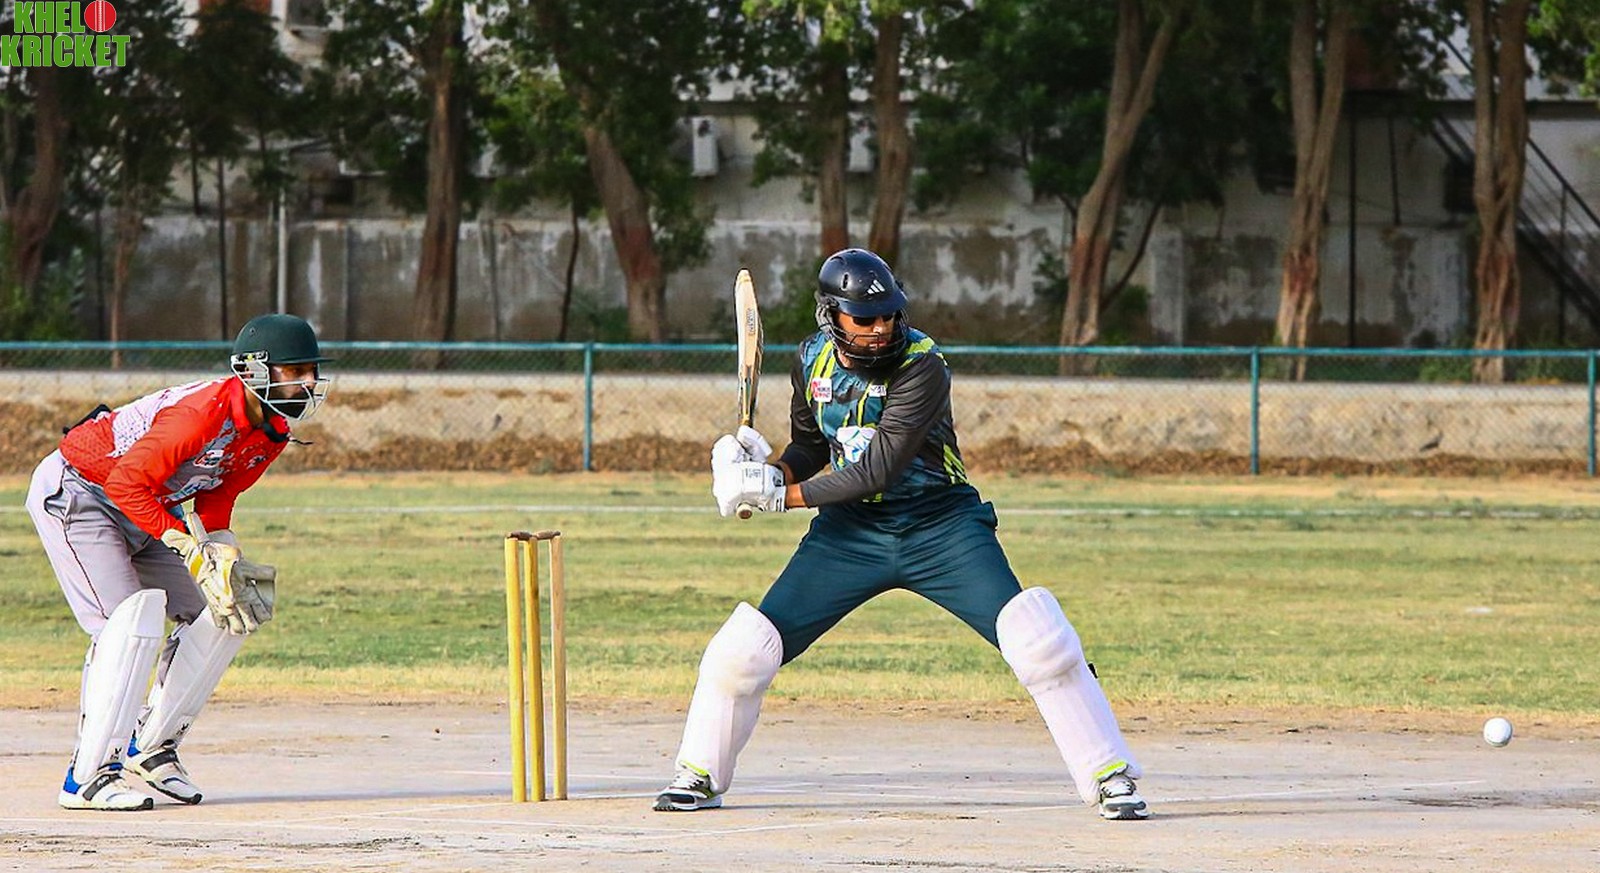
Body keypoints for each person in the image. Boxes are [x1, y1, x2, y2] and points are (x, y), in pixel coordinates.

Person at [653, 248, 1148, 821]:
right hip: (849, 534)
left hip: (940, 526)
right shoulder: (811, 361)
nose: (881, 327)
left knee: (1038, 640)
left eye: (888, 314)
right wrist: (764, 472)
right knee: (743, 651)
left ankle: (1110, 774)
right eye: (865, 318)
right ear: (831, 315)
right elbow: (812, 448)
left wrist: (777, 496)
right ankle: (699, 774)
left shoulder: (922, 365)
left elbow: (878, 470)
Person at [25, 313, 332, 811]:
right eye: (295, 371)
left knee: (226, 611)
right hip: (82, 493)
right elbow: (125, 482)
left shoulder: (271, 432)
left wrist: (221, 553)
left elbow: (217, 495)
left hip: (147, 508)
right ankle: (88, 776)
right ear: (253, 370)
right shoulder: (200, 414)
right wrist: (186, 546)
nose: (310, 382)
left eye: (312, 371)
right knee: (129, 622)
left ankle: (151, 745)